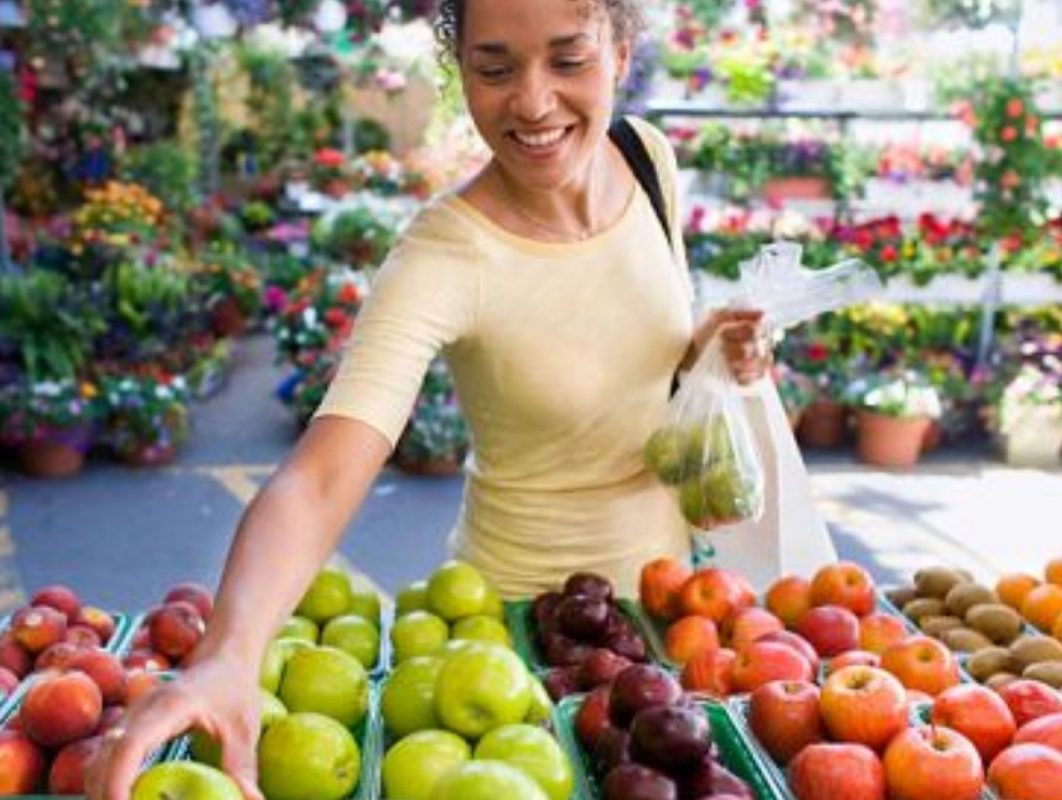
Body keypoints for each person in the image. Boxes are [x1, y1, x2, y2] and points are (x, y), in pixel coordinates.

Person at [88, 0, 770, 797]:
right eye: (494, 68)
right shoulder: (444, 255)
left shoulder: (646, 157)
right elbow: (319, 479)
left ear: (620, 49)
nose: (534, 100)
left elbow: (636, 357)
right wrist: (230, 654)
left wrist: (708, 348)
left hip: (663, 610)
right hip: (520, 648)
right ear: (459, 71)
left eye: (568, 59)